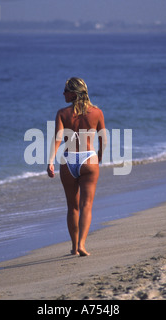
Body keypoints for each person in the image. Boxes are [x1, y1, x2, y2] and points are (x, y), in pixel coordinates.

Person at [47, 77, 106, 256]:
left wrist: (50, 161)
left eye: (65, 90)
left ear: (73, 93)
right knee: (86, 205)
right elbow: (103, 139)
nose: (63, 93)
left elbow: (58, 138)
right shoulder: (97, 112)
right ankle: (81, 244)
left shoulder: (62, 113)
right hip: (89, 159)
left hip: (68, 160)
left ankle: (74, 247)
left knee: (73, 207)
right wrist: (100, 158)